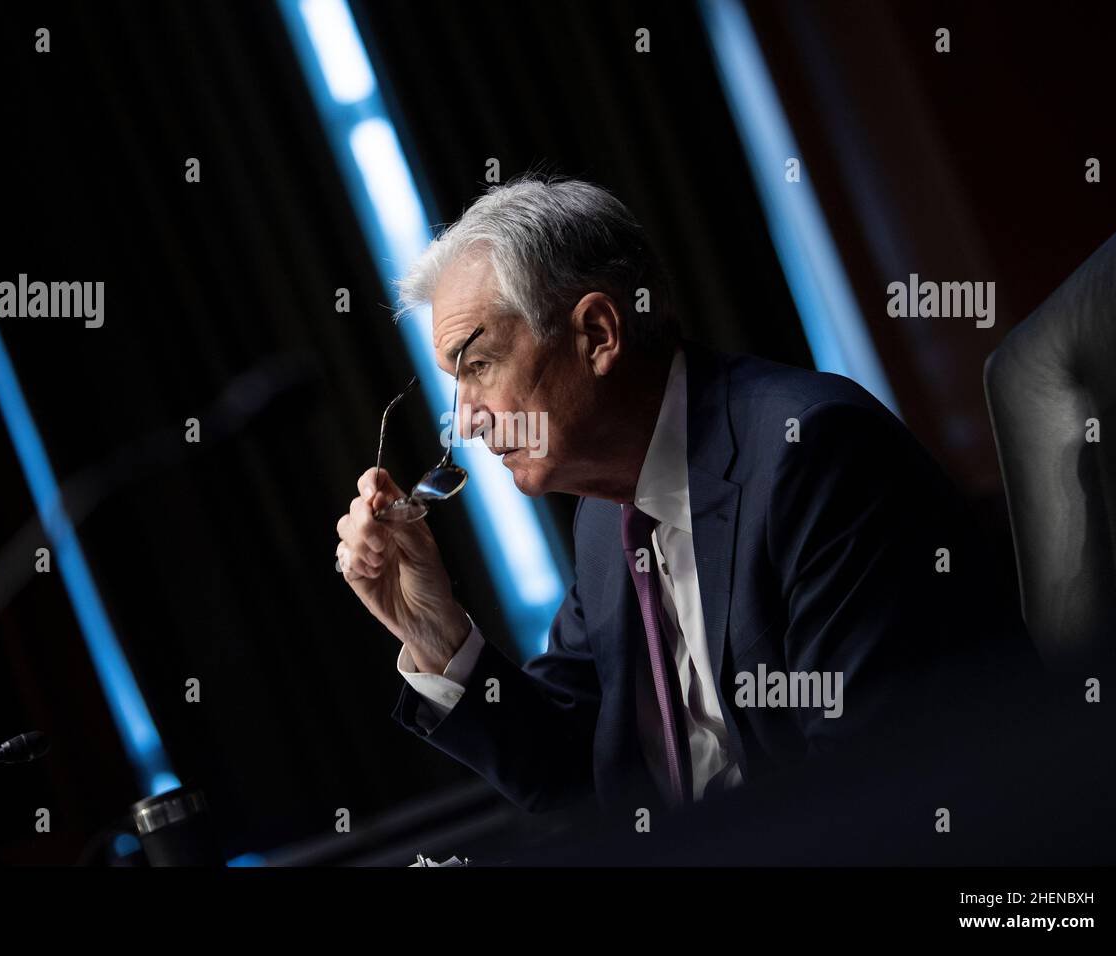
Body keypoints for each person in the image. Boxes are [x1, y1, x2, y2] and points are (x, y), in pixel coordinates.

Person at [335, 173, 1024, 816]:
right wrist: (434, 631)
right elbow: (576, 771)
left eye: (479, 367)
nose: (468, 417)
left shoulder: (810, 456)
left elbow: (880, 790)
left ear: (598, 335)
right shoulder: (606, 524)